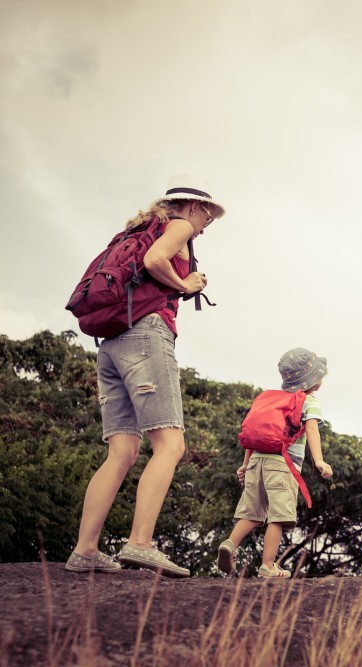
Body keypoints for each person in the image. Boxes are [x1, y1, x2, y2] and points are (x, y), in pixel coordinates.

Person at [66, 174, 224, 577]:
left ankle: (85, 550)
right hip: (145, 334)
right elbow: (156, 261)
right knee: (170, 443)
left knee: (121, 451)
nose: (207, 224)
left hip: (112, 340)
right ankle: (140, 543)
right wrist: (185, 283)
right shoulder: (180, 226)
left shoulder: (134, 230)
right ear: (192, 207)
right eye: (208, 214)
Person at [217, 348, 334, 578]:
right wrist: (319, 460)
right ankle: (268, 565)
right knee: (279, 516)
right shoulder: (308, 401)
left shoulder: (269, 399)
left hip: (256, 461)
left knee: (251, 513)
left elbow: (254, 433)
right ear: (314, 380)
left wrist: (245, 464)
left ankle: (230, 544)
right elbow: (311, 429)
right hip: (282, 465)